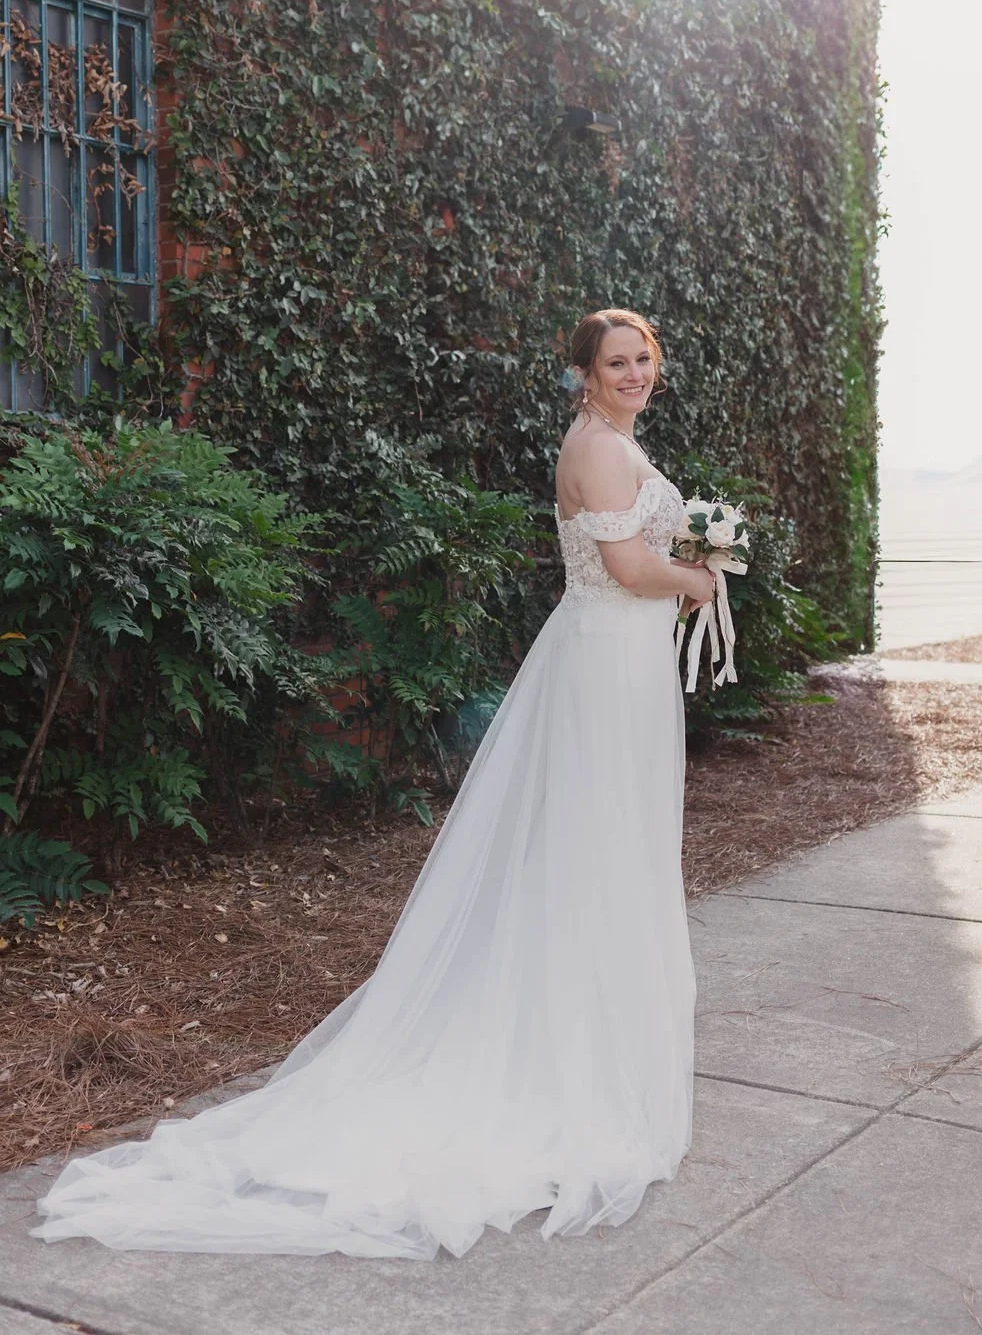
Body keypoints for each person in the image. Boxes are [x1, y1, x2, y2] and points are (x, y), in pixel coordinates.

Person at [31, 308, 716, 1260]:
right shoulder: (596, 451)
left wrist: (689, 570)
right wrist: (701, 579)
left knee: (609, 851)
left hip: (622, 666)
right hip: (605, 665)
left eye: (645, 356)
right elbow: (626, 564)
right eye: (616, 362)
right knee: (592, 853)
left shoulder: (614, 442)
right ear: (583, 375)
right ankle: (570, 1061)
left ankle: (593, 1042)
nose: (635, 372)